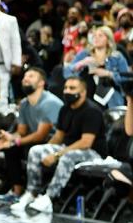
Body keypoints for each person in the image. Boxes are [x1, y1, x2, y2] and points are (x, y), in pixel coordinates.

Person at [12, 76, 107, 213]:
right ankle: (32, 193)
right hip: (69, 148)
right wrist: (49, 152)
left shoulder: (92, 111)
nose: (67, 91)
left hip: (93, 152)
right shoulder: (65, 109)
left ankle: (50, 197)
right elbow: (58, 136)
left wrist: (56, 155)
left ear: (83, 92)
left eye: (72, 88)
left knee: (69, 156)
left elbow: (86, 142)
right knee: (36, 151)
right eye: (66, 88)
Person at [0, 68, 63, 202]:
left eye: (31, 76)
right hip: (33, 140)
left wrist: (16, 142)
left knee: (18, 147)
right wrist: (9, 137)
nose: (25, 79)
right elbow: (22, 131)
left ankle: (33, 193)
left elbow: (41, 135)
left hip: (53, 142)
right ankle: (16, 192)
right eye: (25, 76)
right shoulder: (25, 103)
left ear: (41, 83)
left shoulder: (49, 103)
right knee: (9, 149)